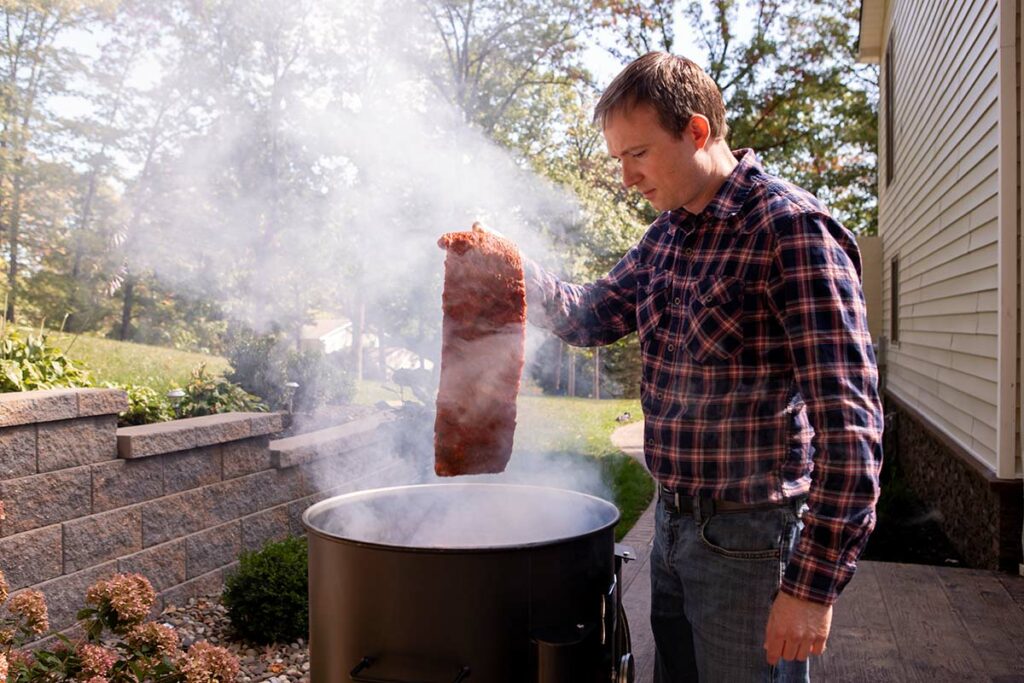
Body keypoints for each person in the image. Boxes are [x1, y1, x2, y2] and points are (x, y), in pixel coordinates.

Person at [521, 52, 884, 681]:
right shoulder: (666, 236)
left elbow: (852, 430)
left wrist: (811, 589)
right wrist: (513, 271)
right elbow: (591, 316)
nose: (626, 178)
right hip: (672, 525)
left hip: (752, 543)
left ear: (695, 131)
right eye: (617, 161)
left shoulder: (791, 231)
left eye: (637, 154)